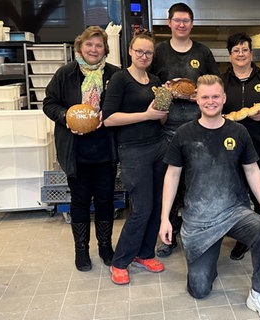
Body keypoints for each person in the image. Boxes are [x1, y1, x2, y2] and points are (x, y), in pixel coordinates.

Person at [159, 75, 260, 320]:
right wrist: (165, 219)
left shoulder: (239, 131)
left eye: (216, 96)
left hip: (234, 211)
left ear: (224, 98)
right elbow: (171, 176)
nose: (211, 101)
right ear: (197, 99)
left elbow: (252, 170)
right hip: (199, 220)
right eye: (205, 97)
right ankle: (207, 261)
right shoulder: (184, 134)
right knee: (200, 290)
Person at [43, 26, 120, 272]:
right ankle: (81, 251)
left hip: (106, 149)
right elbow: (49, 103)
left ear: (105, 49)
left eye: (99, 45)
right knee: (80, 201)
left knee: (107, 200)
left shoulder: (115, 75)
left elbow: (122, 106)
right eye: (89, 45)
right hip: (75, 150)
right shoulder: (65, 74)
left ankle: (106, 247)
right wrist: (67, 117)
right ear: (80, 48)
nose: (94, 49)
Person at [149, 2, 219, 257]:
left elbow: (215, 83)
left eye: (186, 20)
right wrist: (164, 91)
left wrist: (199, 93)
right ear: (169, 23)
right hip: (166, 128)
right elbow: (150, 85)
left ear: (192, 24)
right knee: (170, 185)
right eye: (177, 20)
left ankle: (197, 231)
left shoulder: (203, 52)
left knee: (197, 183)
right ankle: (169, 236)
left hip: (199, 127)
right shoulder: (159, 52)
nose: (181, 24)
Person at [101, 29, 168, 284]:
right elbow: (108, 119)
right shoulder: (120, 79)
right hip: (133, 151)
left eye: (148, 52)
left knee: (158, 206)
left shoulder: (154, 80)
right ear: (130, 51)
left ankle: (145, 253)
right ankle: (120, 260)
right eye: (139, 51)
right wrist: (146, 115)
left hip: (158, 147)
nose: (144, 55)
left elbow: (161, 117)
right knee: (142, 208)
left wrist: (162, 110)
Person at [221, 32, 260, 268]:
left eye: (244, 50)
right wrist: (223, 118)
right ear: (230, 55)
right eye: (236, 50)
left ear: (251, 53)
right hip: (231, 150)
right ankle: (242, 240)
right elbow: (211, 109)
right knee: (237, 199)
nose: (240, 54)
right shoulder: (223, 81)